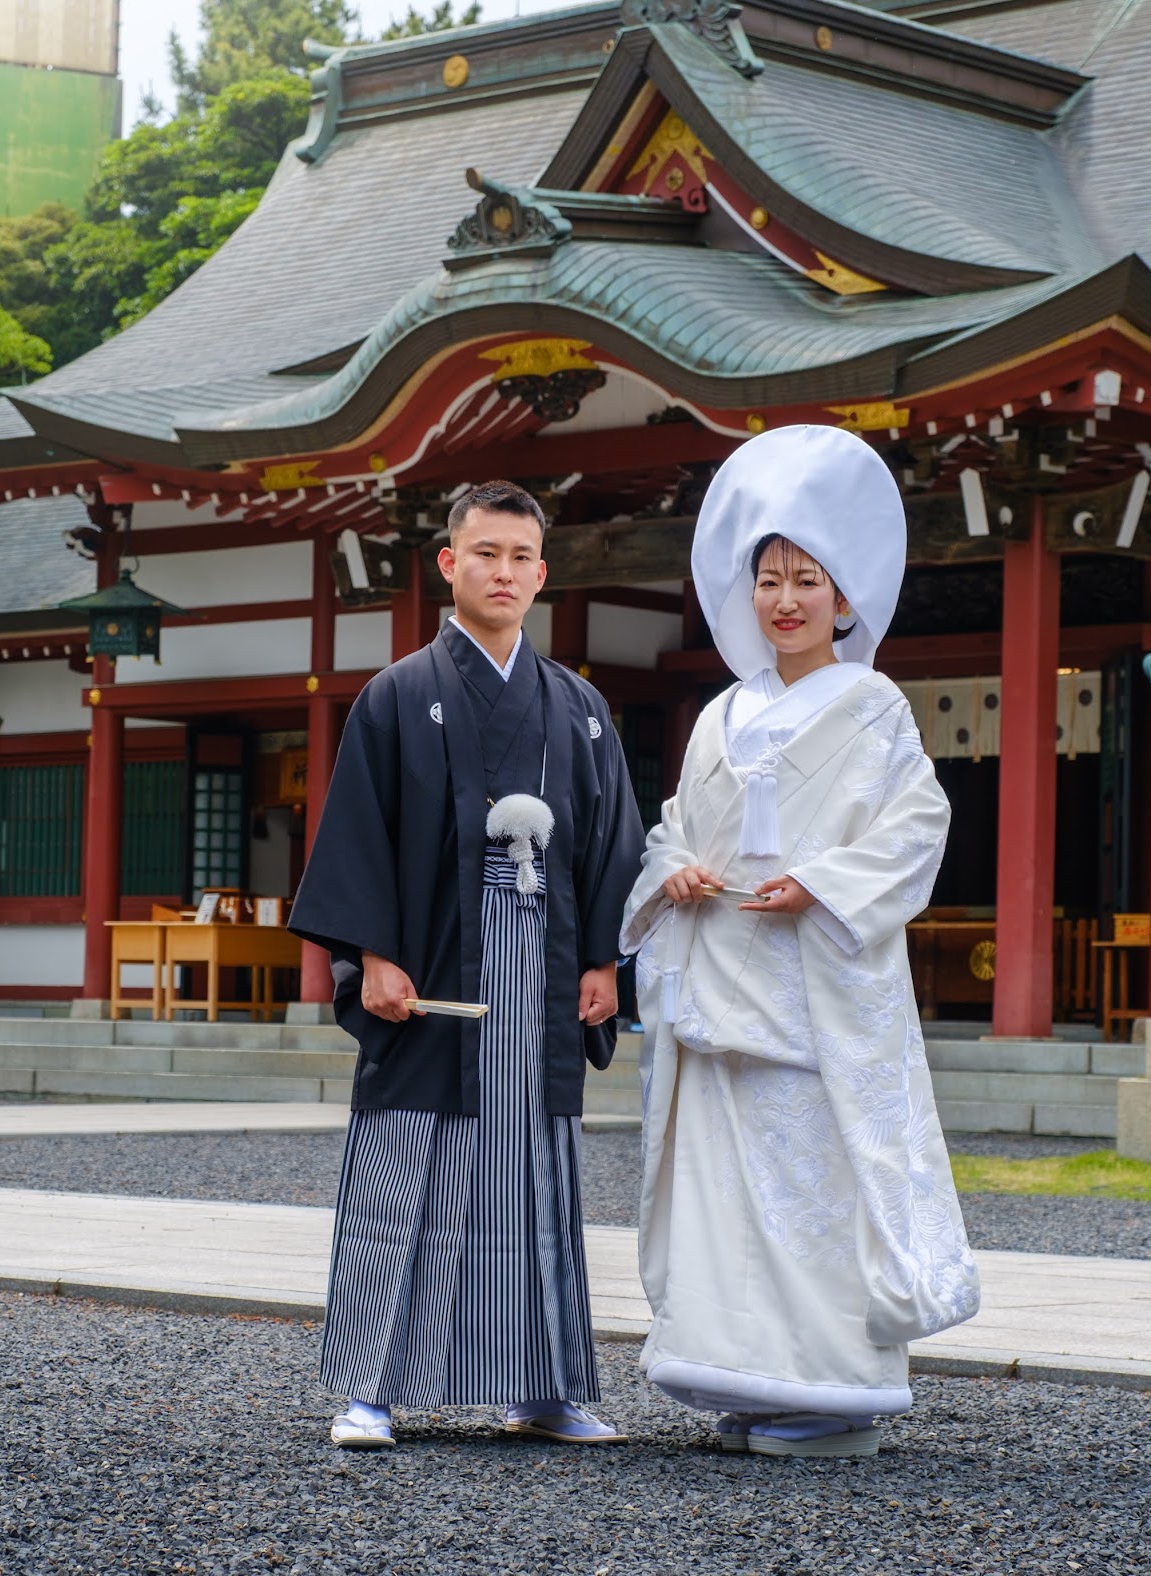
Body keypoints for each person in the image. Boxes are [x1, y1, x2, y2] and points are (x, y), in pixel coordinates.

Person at [620, 424, 979, 1459]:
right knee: (729, 1189)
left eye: (807, 579)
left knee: (814, 1186)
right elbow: (675, 825)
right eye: (770, 578)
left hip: (814, 985)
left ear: (845, 595)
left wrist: (820, 881)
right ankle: (744, 1378)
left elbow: (917, 826)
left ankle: (832, 1393)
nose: (786, 599)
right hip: (718, 972)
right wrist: (672, 871)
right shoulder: (719, 714)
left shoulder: (874, 707)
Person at [289, 479, 647, 1450]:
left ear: (542, 571)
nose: (505, 571)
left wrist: (610, 962)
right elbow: (359, 834)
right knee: (408, 1167)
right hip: (431, 969)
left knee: (530, 1182)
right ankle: (370, 1387)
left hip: (541, 971)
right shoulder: (398, 696)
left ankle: (543, 1388)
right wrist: (373, 957)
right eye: (485, 552)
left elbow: (613, 843)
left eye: (522, 556)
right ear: (449, 564)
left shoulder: (576, 706)